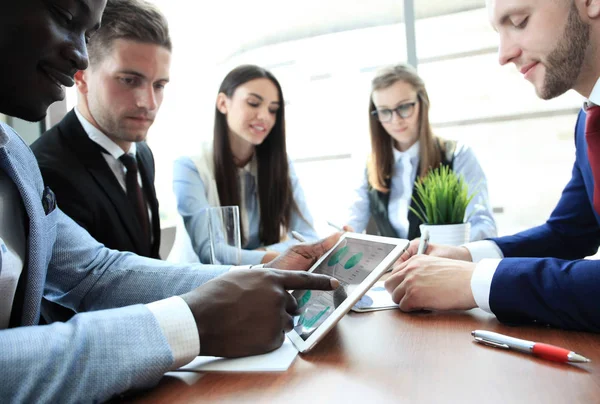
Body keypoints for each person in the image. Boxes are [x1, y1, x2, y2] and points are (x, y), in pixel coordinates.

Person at [0, 0, 341, 401]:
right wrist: (188, 321)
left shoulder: (16, 159)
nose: (79, 54)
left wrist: (256, 279)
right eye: (62, 16)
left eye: (89, 35)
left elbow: (93, 271)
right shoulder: (51, 160)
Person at [385, 0, 600, 333]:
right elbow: (568, 233)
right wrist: (466, 257)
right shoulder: (587, 122)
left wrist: (477, 281)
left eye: (519, 20)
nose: (503, 54)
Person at [31, 0, 171, 260]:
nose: (149, 103)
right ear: (81, 77)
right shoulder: (46, 172)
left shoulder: (141, 153)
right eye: (129, 80)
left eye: (159, 85)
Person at [171, 65, 318, 265]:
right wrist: (280, 257)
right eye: (253, 103)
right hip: (199, 287)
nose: (265, 116)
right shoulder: (190, 167)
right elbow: (212, 252)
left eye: (273, 110)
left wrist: (263, 253)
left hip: (258, 283)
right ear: (223, 103)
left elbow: (307, 237)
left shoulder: (279, 164)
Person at [344, 64, 496, 241]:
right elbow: (353, 221)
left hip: (442, 265)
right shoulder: (371, 165)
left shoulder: (457, 155)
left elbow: (484, 227)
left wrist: (446, 247)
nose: (396, 120)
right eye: (385, 111)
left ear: (422, 103)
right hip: (396, 269)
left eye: (403, 107)